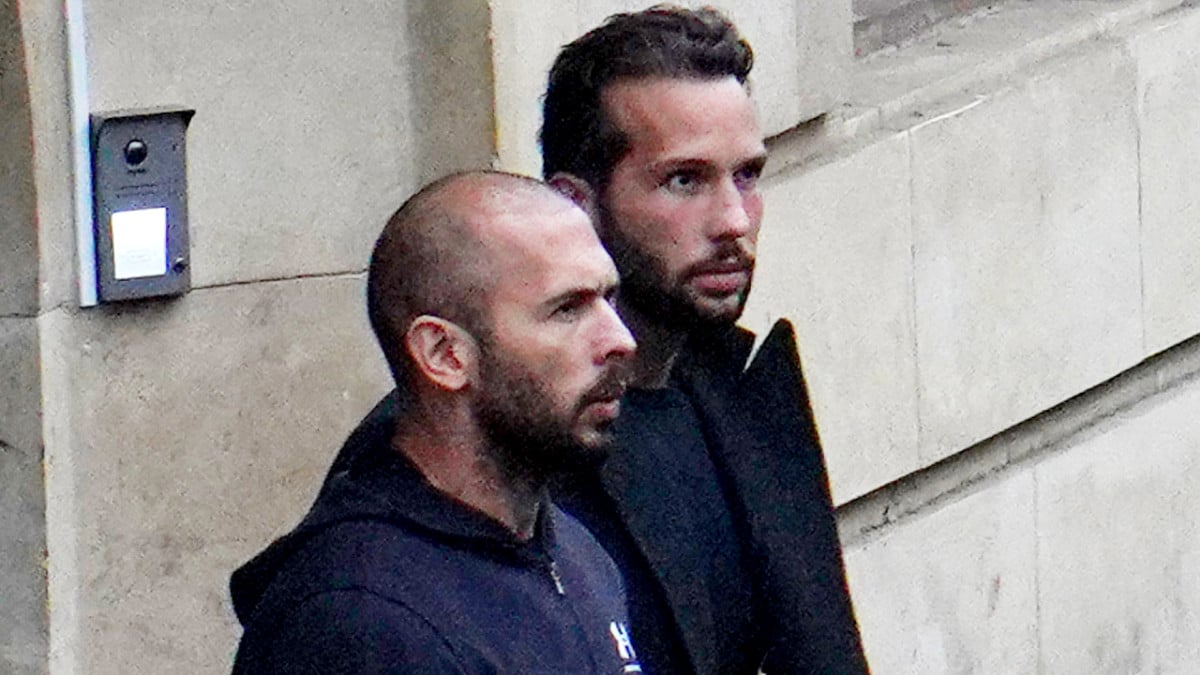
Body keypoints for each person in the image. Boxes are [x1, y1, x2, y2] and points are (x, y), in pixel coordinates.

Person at [329, 6, 870, 674]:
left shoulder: (740, 393)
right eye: (685, 180)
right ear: (574, 202)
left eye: (747, 175)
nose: (733, 219)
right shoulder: (482, 428)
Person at [229, 171, 643, 674]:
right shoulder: (364, 624)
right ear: (444, 354)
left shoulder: (578, 558)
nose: (619, 339)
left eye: (609, 298)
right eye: (567, 310)